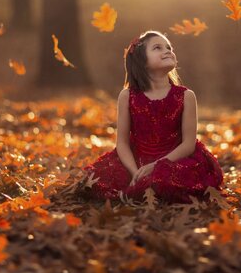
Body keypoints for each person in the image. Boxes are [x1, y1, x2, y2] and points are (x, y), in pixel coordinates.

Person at [79, 30, 224, 204]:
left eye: (169, 47)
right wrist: (135, 172)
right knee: (94, 181)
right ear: (142, 61)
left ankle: (150, 188)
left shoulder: (186, 96)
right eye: (158, 47)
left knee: (167, 181)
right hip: (136, 161)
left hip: (174, 160)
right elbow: (122, 143)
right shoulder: (128, 96)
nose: (168, 50)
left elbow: (188, 144)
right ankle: (138, 187)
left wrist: (156, 166)